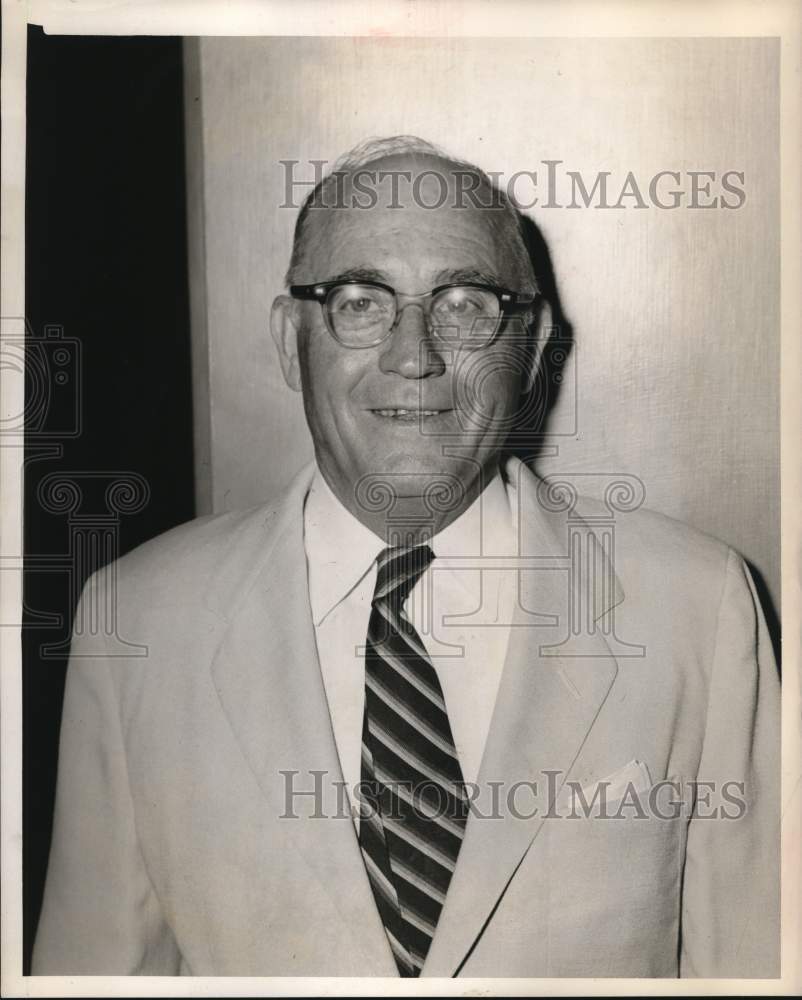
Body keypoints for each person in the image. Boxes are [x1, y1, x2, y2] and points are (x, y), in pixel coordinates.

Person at [32, 136, 779, 978]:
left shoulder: (696, 609)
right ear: (291, 340)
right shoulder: (135, 625)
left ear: (532, 347)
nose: (414, 355)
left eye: (464, 304)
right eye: (360, 300)